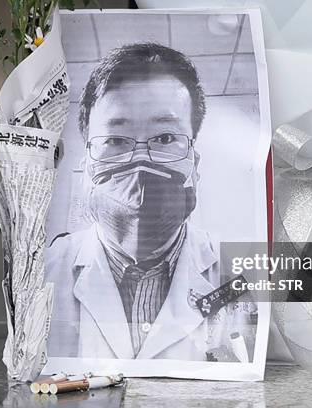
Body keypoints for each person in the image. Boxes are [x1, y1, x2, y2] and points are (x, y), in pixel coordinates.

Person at [45, 42, 256, 361]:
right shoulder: (46, 271)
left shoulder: (241, 272)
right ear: (88, 162)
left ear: (194, 162)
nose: (141, 163)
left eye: (165, 138)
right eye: (115, 140)